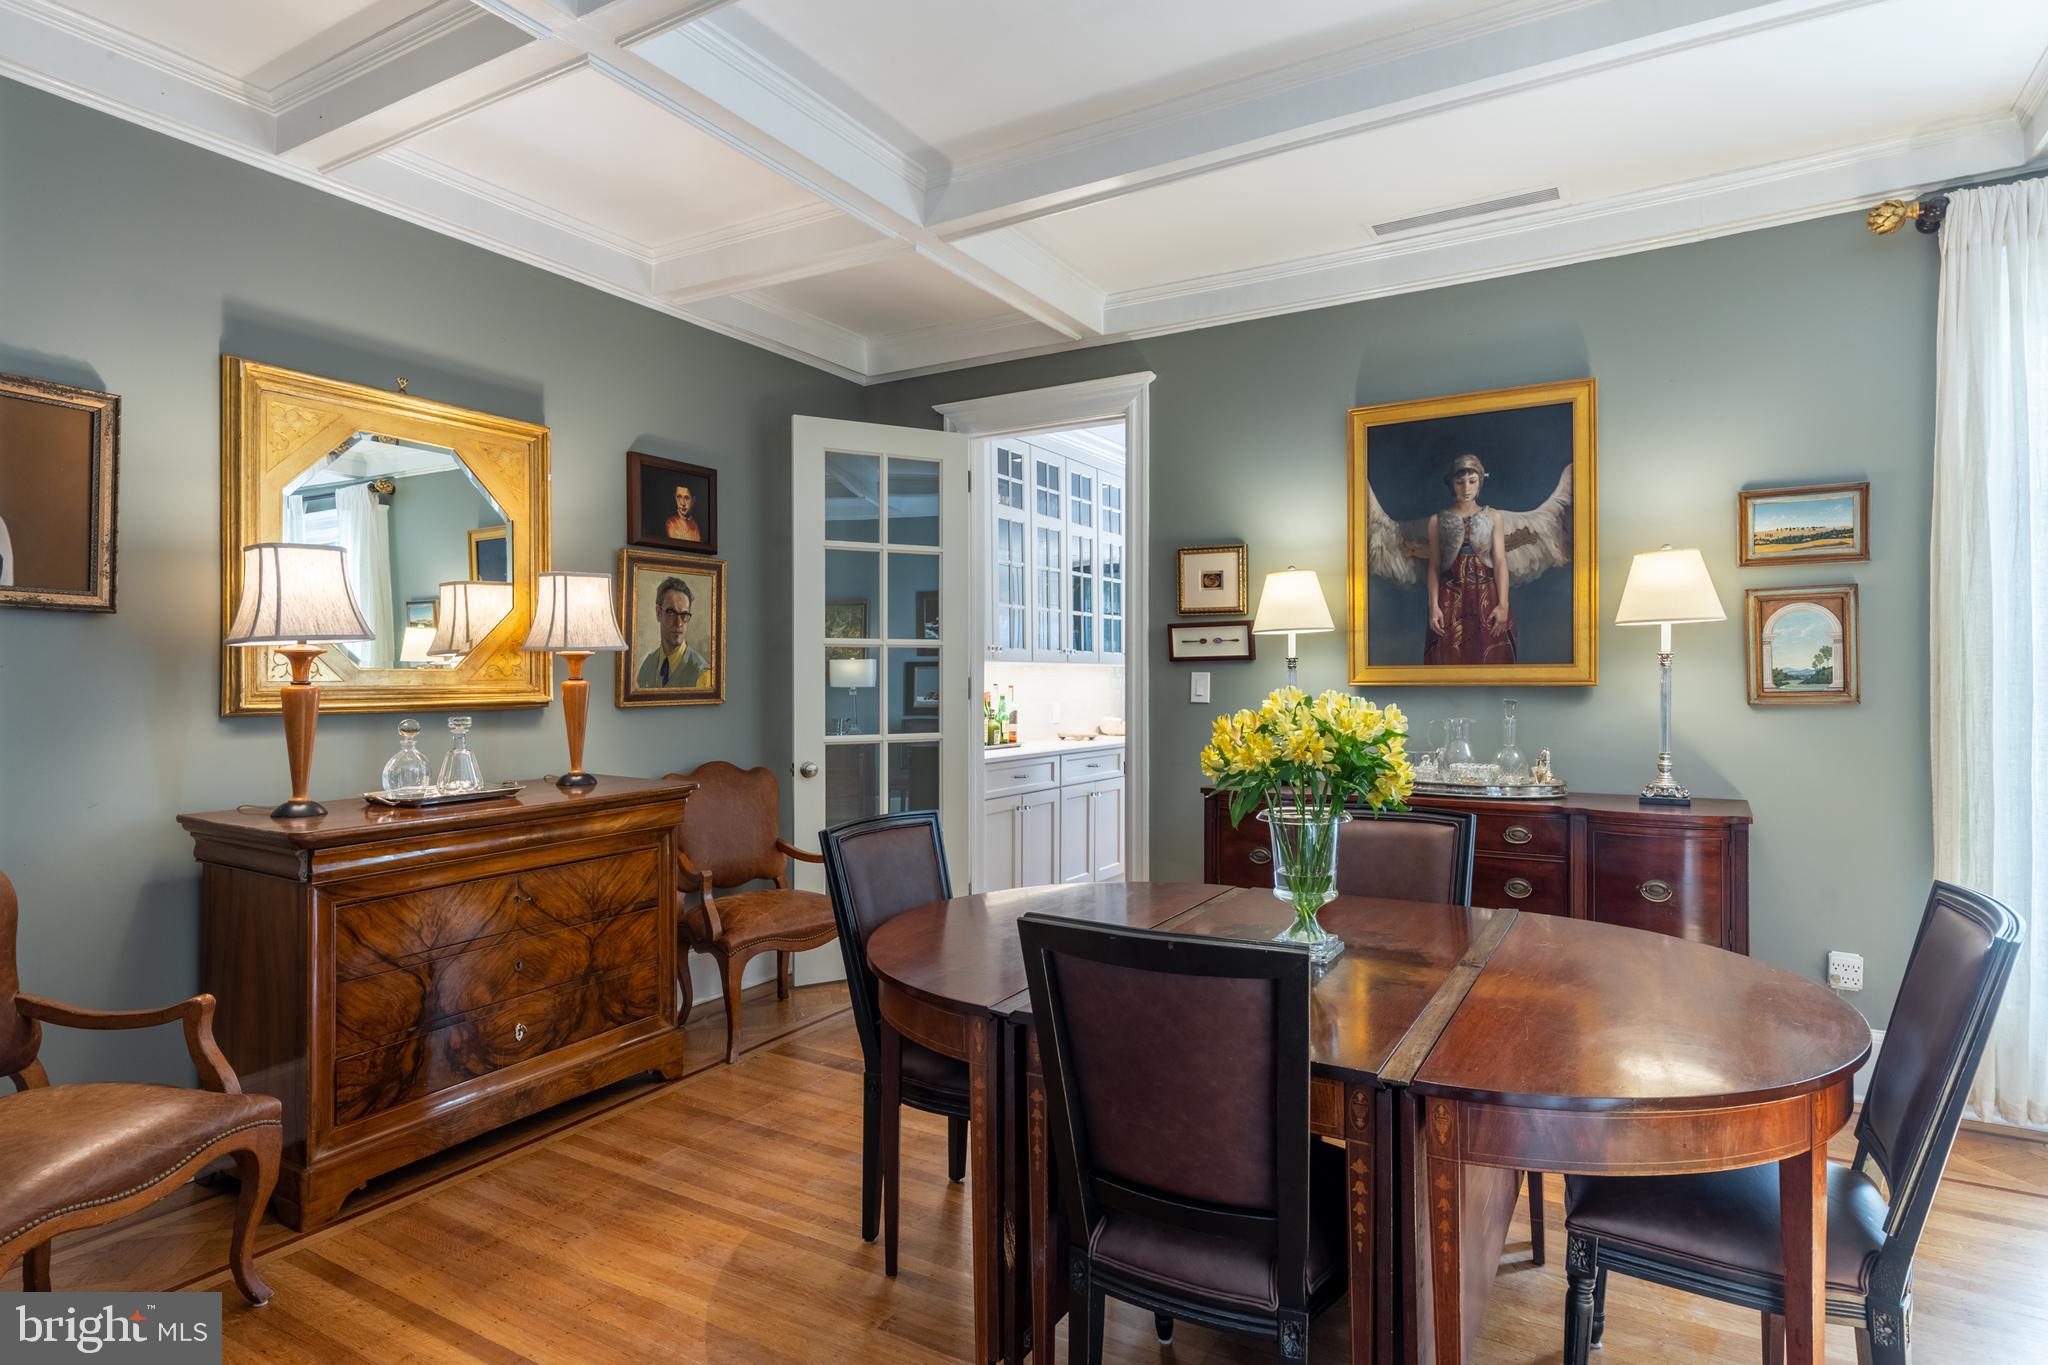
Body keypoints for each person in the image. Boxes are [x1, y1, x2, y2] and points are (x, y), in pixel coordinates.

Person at [1424, 453, 1516, 665]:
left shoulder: (1493, 516)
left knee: (1490, 649)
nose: (1466, 488)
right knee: (1448, 652)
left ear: (1480, 482)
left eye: (1472, 482)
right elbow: (1434, 566)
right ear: (1451, 484)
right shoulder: (1436, 521)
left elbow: (1500, 562)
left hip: (1486, 593)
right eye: (1459, 482)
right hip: (1450, 595)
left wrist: (1503, 604)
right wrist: (1433, 607)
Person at [637, 576, 711, 688]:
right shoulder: (647, 665)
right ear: (658, 613)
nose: (679, 623)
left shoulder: (702, 674)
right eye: (671, 612)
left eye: (684, 615)